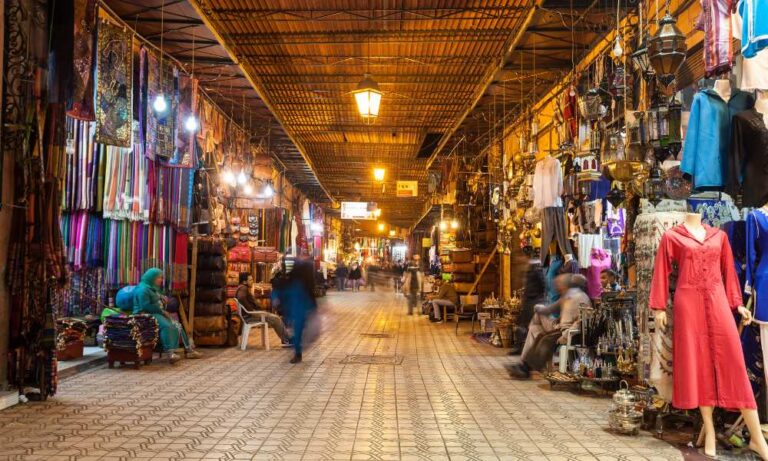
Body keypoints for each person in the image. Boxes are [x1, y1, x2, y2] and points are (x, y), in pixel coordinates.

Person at [507, 273, 590, 379]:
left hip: (569, 332)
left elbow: (581, 320)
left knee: (545, 339)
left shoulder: (581, 297)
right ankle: (525, 367)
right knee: (540, 335)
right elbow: (551, 309)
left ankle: (526, 368)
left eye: (559, 284)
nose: (557, 287)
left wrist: (566, 335)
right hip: (560, 327)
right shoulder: (568, 295)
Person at [132, 268, 202, 363]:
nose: (161, 280)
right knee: (167, 326)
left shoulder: (152, 288)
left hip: (156, 313)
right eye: (159, 278)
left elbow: (157, 300)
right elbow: (146, 306)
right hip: (145, 314)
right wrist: (162, 311)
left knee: (177, 325)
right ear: (152, 278)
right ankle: (170, 353)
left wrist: (163, 300)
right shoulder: (143, 289)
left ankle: (189, 350)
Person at [235, 273, 291, 345]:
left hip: (249, 315)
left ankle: (286, 338)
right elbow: (241, 298)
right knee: (276, 318)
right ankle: (287, 340)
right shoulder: (243, 288)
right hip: (250, 316)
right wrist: (250, 311)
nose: (252, 281)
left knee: (276, 318)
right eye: (250, 280)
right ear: (244, 282)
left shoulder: (242, 288)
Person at [283, 256, 318, 364]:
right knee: (300, 331)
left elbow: (287, 295)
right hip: (302, 309)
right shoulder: (307, 284)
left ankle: (297, 352)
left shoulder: (295, 282)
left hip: (297, 310)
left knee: (297, 331)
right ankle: (297, 349)